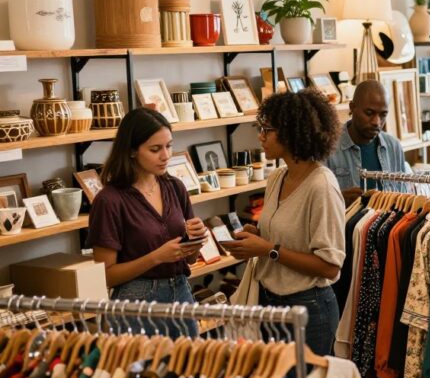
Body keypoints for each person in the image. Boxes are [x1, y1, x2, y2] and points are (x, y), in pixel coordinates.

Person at [222, 90, 346, 356]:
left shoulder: (321, 185)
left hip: (308, 309)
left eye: (267, 129)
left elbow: (329, 266)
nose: (260, 136)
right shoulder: (277, 177)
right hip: (270, 303)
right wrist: (256, 235)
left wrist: (268, 249)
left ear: (291, 132)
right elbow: (282, 234)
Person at [88, 108, 208, 339]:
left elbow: (190, 259)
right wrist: (157, 256)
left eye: (169, 146)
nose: (166, 156)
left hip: (181, 292)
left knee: (188, 371)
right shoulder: (110, 200)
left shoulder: (175, 187)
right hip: (136, 303)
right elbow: (106, 275)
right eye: (155, 149)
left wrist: (196, 241)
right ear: (132, 151)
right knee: (138, 373)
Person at [327, 80, 407, 206]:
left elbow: (403, 197)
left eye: (383, 115)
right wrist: (340, 199)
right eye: (369, 113)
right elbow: (313, 202)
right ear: (352, 107)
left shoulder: (394, 147)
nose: (376, 121)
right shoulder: (328, 146)